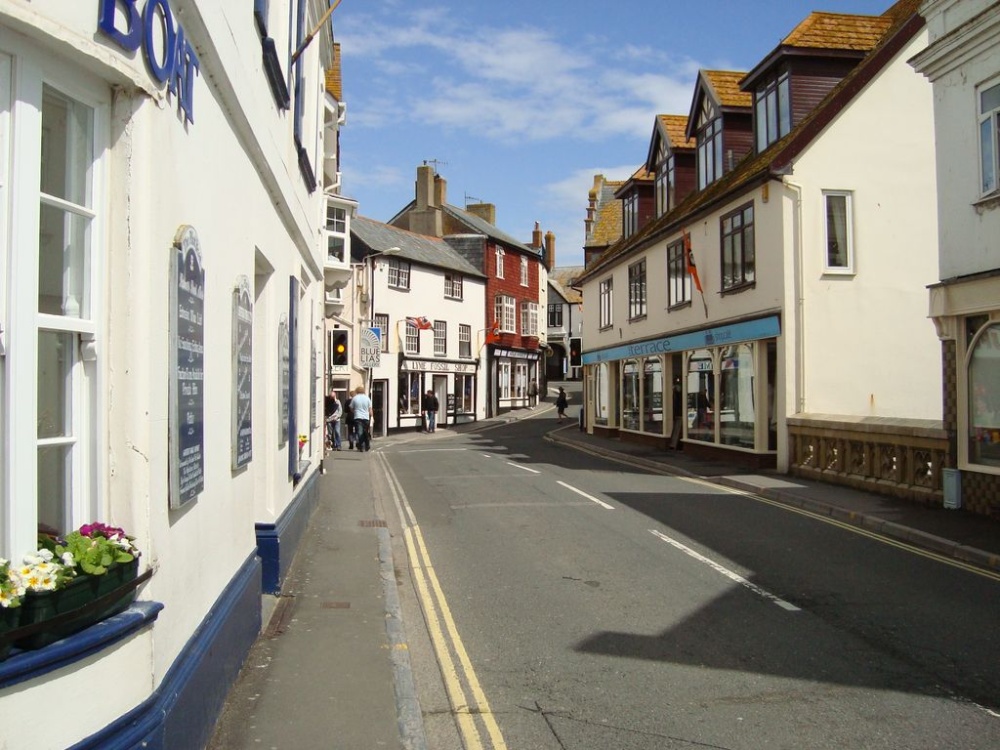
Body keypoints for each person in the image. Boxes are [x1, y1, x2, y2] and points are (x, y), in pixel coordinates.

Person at [350, 385, 373, 452]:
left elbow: (351, 407)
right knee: (365, 432)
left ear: (357, 391)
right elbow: (370, 409)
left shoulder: (354, 398)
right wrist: (372, 416)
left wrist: (355, 412)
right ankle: (367, 445)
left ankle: (362, 446)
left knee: (359, 432)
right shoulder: (367, 398)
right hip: (366, 417)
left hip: (358, 417)